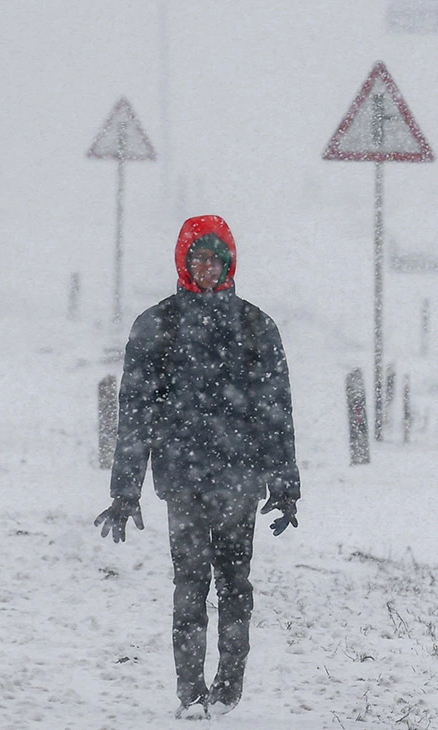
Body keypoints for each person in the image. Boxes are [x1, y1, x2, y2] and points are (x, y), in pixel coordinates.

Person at [94, 214, 300, 719]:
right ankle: (190, 693)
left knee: (236, 583)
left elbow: (276, 408)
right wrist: (126, 491)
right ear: (184, 263)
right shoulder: (156, 324)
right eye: (198, 259)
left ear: (229, 263)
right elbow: (135, 412)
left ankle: (227, 692)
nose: (207, 268)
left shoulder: (256, 325)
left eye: (216, 259)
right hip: (182, 481)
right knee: (189, 583)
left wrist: (284, 483)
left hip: (240, 481)